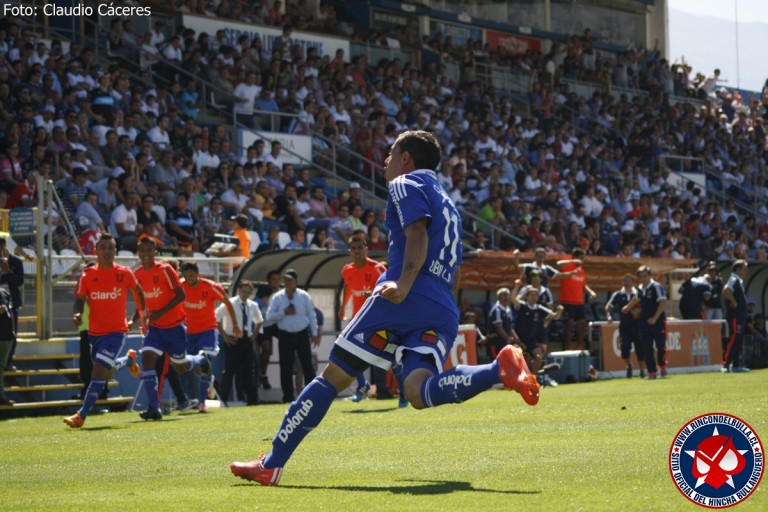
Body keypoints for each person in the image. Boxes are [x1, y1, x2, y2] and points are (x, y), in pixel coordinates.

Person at [230, 130, 539, 485]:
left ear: (406, 158)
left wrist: (404, 284)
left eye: (392, 153)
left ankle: (272, 464)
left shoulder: (406, 183)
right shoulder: (447, 200)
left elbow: (417, 234)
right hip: (441, 305)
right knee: (418, 391)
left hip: (403, 298)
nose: (386, 161)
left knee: (332, 378)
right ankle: (497, 370)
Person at [63, 234, 145, 428]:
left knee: (98, 372)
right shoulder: (88, 275)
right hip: (95, 333)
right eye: (103, 247)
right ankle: (128, 360)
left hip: (116, 332)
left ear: (115, 251)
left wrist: (142, 316)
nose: (107, 251)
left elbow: (139, 293)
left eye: (110, 247)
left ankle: (81, 414)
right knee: (105, 374)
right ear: (96, 250)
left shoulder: (124, 273)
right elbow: (79, 299)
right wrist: (77, 314)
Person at [132, 237, 211, 420]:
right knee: (147, 360)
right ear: (138, 253)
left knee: (180, 367)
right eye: (141, 250)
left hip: (175, 327)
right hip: (155, 328)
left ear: (155, 253)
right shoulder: (137, 274)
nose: (145, 254)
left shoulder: (165, 270)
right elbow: (141, 302)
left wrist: (161, 311)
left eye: (148, 250)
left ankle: (200, 360)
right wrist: (133, 320)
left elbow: (181, 295)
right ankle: (154, 408)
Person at [181, 261, 241, 412]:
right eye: (187, 276)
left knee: (204, 361)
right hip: (189, 333)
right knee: (194, 369)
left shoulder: (210, 287)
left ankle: (202, 403)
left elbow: (227, 302)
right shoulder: (180, 288)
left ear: (198, 274)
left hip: (208, 331)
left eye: (192, 275)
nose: (190, 278)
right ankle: (207, 382)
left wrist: (235, 324)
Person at [339, 235, 387, 403]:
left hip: (377, 318)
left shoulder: (378, 268)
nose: (357, 251)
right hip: (358, 318)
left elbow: (389, 288)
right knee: (349, 350)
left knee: (381, 356)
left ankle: (398, 391)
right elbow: (348, 288)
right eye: (353, 248)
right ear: (350, 251)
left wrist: (374, 293)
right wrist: (343, 308)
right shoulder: (347, 270)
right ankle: (363, 384)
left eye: (360, 248)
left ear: (366, 249)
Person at [264, 268, 319, 403]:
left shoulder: (304, 296)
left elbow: (312, 315)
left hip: (302, 334)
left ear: (296, 281)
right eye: (286, 280)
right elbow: (269, 317)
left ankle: (312, 395)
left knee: (308, 366)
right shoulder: (277, 297)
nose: (288, 282)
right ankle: (288, 397)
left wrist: (315, 333)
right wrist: (284, 312)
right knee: (286, 368)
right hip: (285, 335)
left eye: (290, 280)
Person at [510, 279, 563, 384]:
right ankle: (523, 380)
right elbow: (513, 299)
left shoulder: (539, 308)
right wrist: (516, 286)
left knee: (539, 356)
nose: (534, 297)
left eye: (536, 295)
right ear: (527, 296)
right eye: (531, 295)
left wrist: (559, 310)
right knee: (527, 362)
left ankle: (532, 379)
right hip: (519, 340)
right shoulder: (522, 306)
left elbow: (554, 316)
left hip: (531, 340)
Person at [217, 281, 261, 405]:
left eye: (249, 292)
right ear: (239, 291)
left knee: (248, 371)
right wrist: (225, 336)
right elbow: (216, 319)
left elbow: (259, 320)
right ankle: (223, 399)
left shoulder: (252, 305)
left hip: (246, 340)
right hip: (233, 340)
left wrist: (255, 334)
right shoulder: (229, 303)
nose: (246, 294)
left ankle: (252, 400)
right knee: (229, 371)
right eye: (244, 291)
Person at [624, 265, 668, 380]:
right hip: (644, 322)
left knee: (660, 347)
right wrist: (628, 307)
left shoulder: (656, 286)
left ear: (650, 275)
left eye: (645, 276)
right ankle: (652, 372)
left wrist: (654, 318)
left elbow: (662, 303)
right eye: (641, 276)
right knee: (647, 348)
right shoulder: (640, 289)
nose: (643, 278)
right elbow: (637, 299)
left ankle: (662, 365)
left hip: (657, 322)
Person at [605, 273, 645, 378]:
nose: (627, 282)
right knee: (624, 348)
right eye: (625, 280)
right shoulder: (618, 294)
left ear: (633, 282)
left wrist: (639, 311)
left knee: (640, 349)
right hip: (625, 327)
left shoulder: (638, 294)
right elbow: (609, 306)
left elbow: (646, 306)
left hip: (638, 326)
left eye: (629, 280)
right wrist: (609, 315)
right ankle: (629, 365)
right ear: (622, 282)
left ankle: (642, 370)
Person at [557, 248, 596, 350]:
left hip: (579, 302)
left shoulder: (581, 271)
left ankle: (579, 346)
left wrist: (591, 292)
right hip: (566, 301)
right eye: (580, 258)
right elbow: (558, 264)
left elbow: (583, 286)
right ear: (574, 257)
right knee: (569, 324)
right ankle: (569, 347)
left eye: (583, 259)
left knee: (582, 324)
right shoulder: (567, 266)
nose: (581, 261)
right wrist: (572, 261)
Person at [722, 259, 750, 373]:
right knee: (734, 338)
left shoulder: (739, 281)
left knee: (738, 339)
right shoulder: (733, 278)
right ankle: (726, 364)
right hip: (735, 315)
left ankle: (736, 365)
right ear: (737, 269)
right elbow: (726, 290)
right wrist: (733, 302)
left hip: (741, 315)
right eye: (744, 268)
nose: (746, 271)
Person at [0, 236, 23, 370]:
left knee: (12, 332)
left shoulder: (16, 261)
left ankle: (8, 361)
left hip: (11, 303)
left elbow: (19, 281)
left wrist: (8, 270)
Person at [485, 287, 519, 360]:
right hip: (497, 343)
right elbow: (499, 327)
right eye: (503, 295)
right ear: (498, 297)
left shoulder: (508, 310)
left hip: (505, 343)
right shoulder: (497, 310)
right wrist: (508, 338)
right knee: (497, 364)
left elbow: (510, 327)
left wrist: (517, 339)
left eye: (507, 295)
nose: (506, 297)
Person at [0, 288, 16, 405]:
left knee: (1, 366)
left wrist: (13, 331)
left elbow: (10, 312)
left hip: (6, 336)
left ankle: (1, 395)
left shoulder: (4, 292)